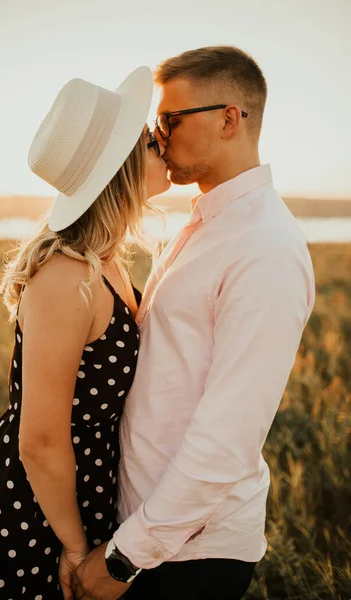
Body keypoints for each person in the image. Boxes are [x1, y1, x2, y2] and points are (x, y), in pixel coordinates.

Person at [72, 46, 315, 600]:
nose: (157, 138)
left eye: (169, 120)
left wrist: (123, 557)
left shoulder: (265, 248)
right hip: (150, 531)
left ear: (230, 118)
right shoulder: (205, 222)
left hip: (189, 552)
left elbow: (226, 437)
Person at [0, 66, 170, 599]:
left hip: (78, 501)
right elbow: (41, 441)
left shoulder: (107, 261)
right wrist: (74, 548)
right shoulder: (65, 276)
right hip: (29, 517)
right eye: (145, 139)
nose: (158, 140)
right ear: (119, 168)